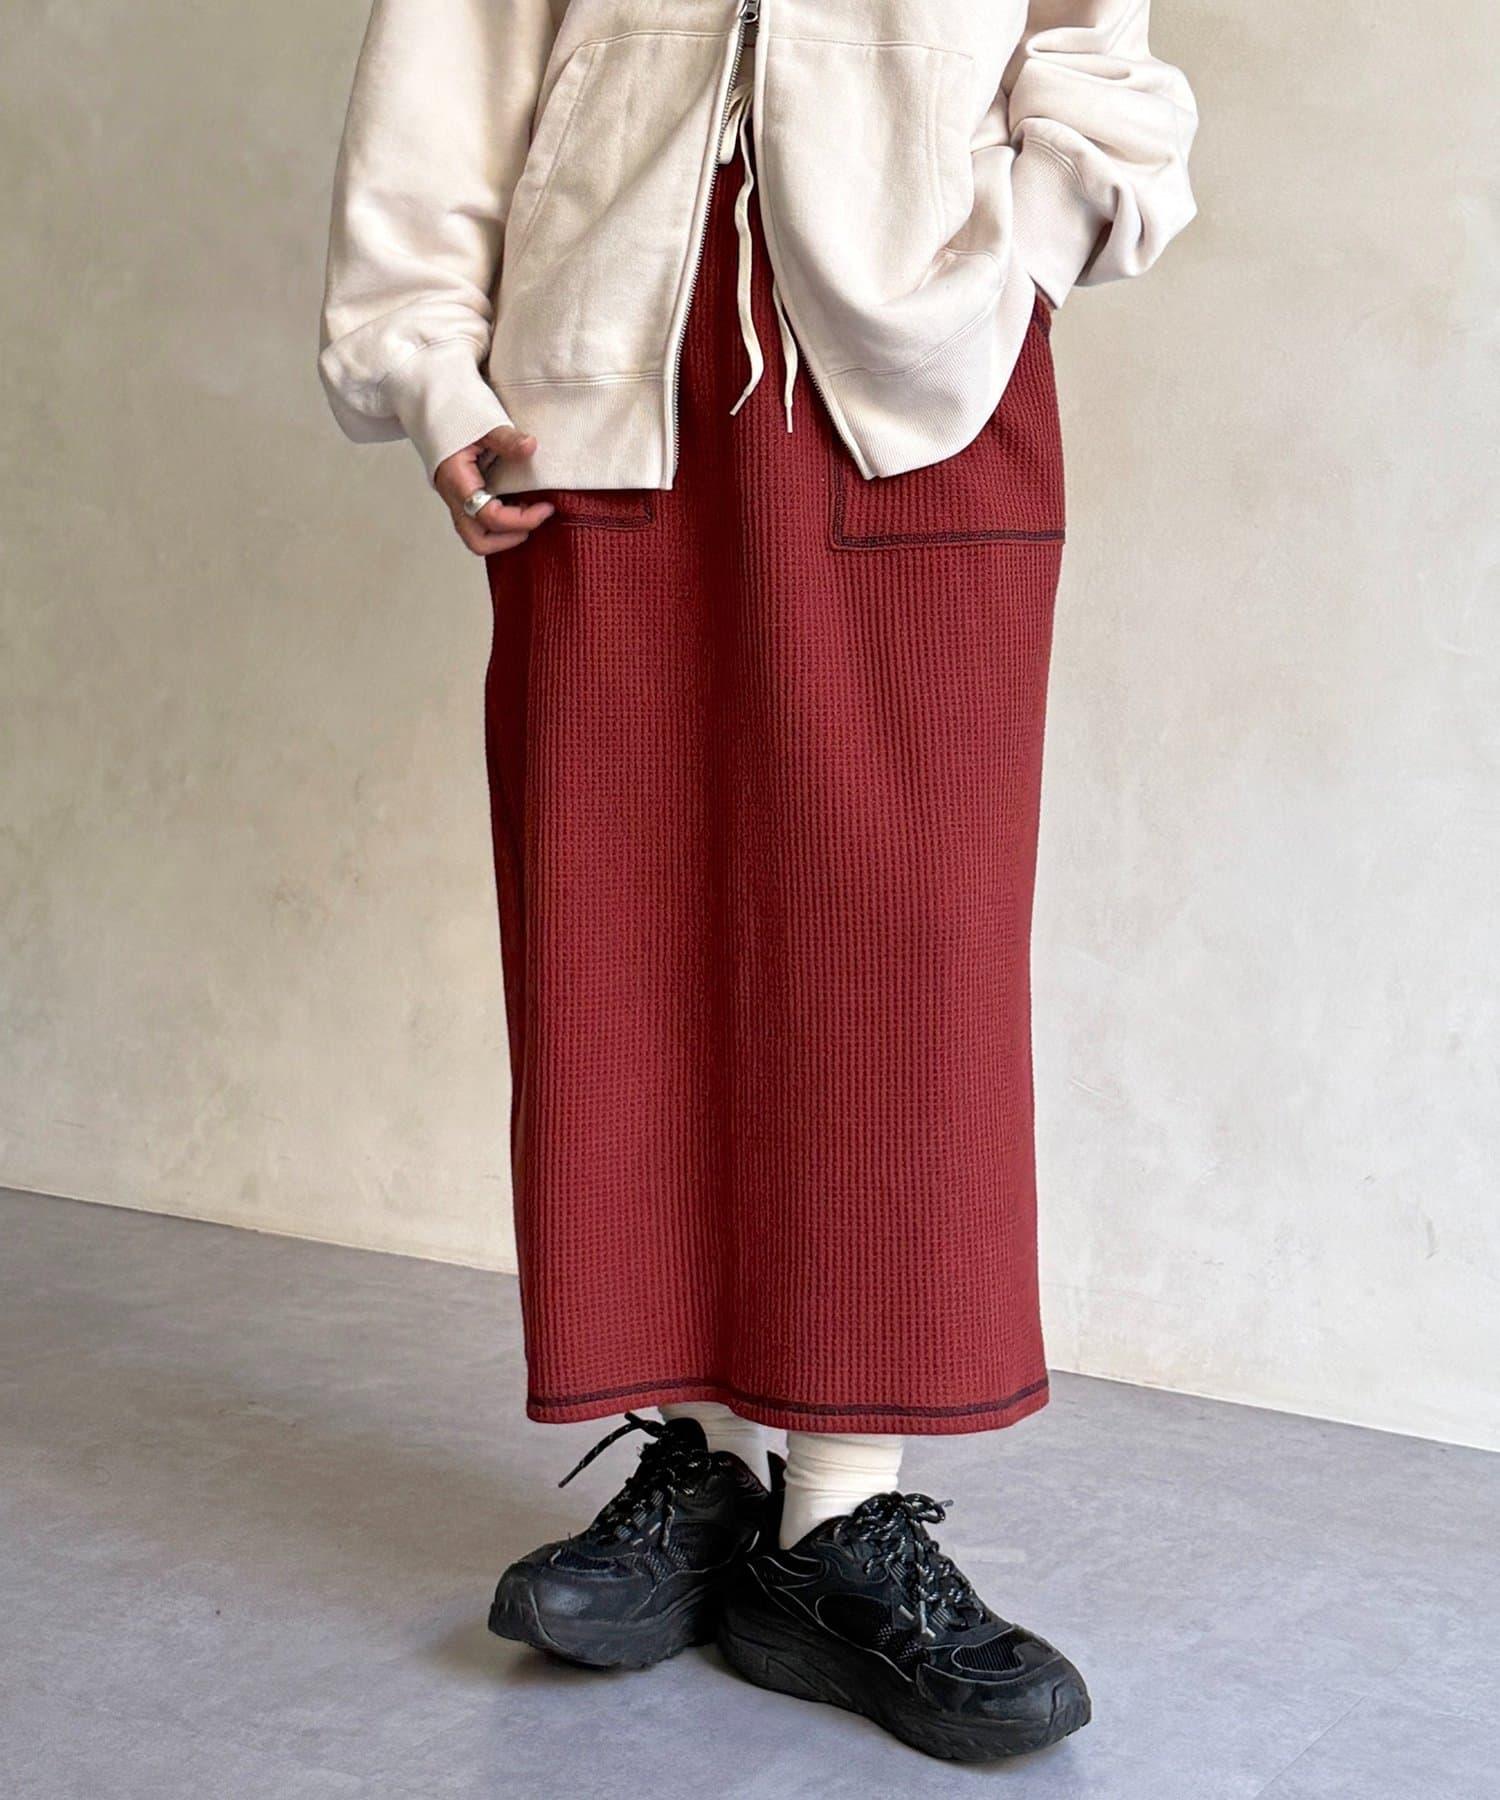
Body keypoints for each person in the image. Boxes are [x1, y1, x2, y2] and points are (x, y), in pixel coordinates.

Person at [320, 0, 1196, 1762]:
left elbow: (1091, 41)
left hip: (924, 362)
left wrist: (1015, 248)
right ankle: (699, 1476)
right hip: (596, 370)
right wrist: (429, 360)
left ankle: (840, 1522)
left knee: (905, 949)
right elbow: (456, 47)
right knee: (618, 929)